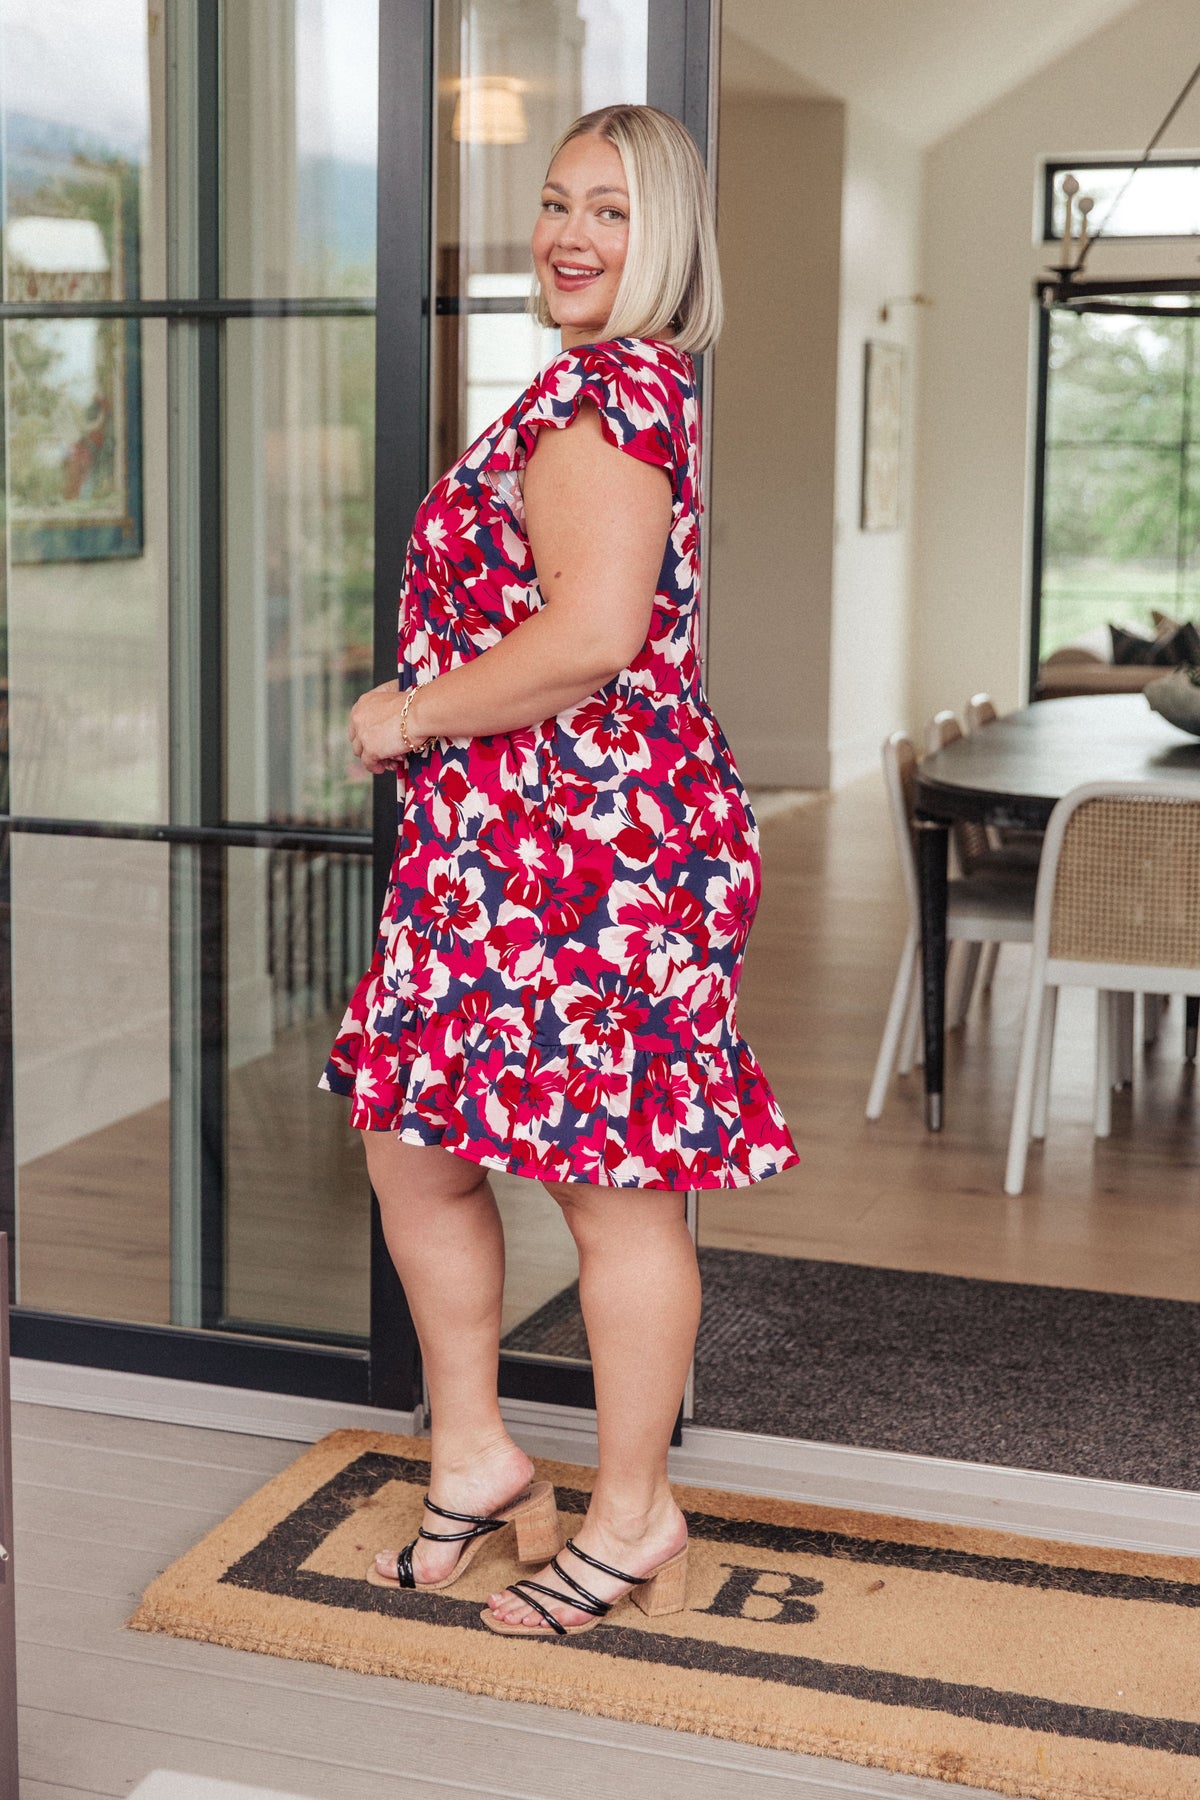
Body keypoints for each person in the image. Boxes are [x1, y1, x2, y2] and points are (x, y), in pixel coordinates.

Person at [321, 102, 800, 1638]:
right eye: (555, 202)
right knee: (410, 1141)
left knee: (616, 1195)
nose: (570, 236)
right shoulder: (574, 387)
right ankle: (474, 1454)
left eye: (611, 210)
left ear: (665, 242)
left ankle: (636, 1512)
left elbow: (591, 638)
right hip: (496, 847)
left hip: (595, 850)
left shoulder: (614, 392)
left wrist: (407, 714)